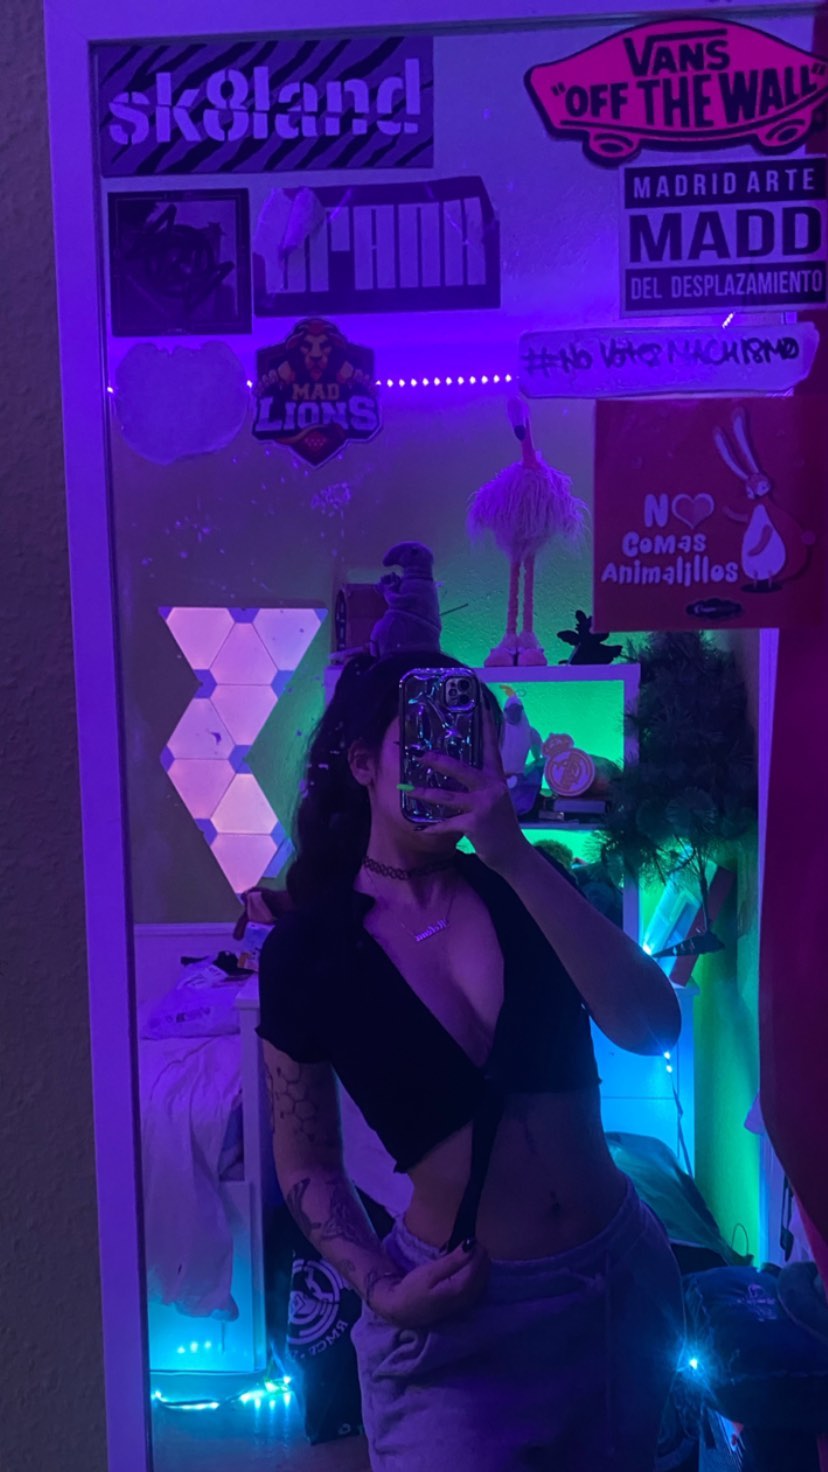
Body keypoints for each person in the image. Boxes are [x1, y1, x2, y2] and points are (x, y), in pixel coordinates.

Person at [257, 650, 685, 1471]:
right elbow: (304, 1158)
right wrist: (379, 1286)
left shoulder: (529, 883)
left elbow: (652, 1028)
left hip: (618, 1286)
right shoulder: (307, 953)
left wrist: (515, 857)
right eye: (432, 741)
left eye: (478, 747)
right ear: (363, 764)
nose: (460, 765)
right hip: (461, 1319)